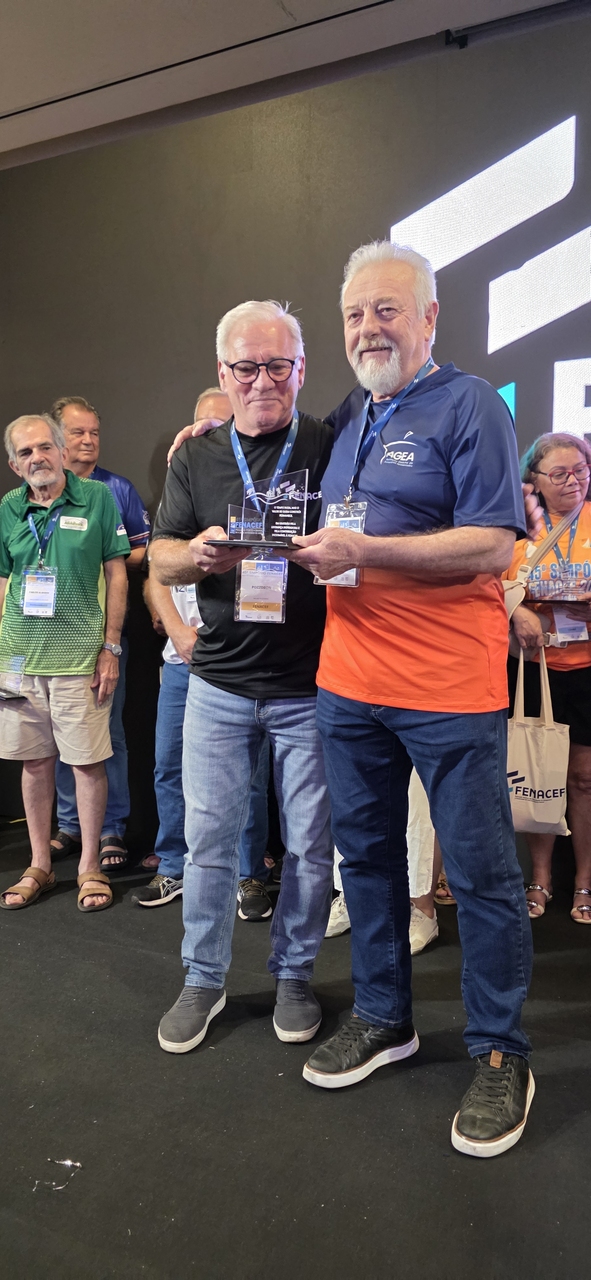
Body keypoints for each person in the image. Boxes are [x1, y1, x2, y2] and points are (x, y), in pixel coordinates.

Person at [286, 240, 534, 1159]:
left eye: (386, 310)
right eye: (354, 314)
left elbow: (491, 544)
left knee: (479, 875)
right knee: (367, 860)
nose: (367, 328)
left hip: (447, 690)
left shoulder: (470, 405)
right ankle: (386, 1015)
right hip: (348, 686)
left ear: (429, 317)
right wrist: (212, 425)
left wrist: (366, 553)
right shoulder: (352, 413)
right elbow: (272, 442)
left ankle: (501, 1052)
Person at [150, 301, 334, 1053]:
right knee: (209, 841)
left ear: (301, 368)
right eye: (246, 367)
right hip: (219, 686)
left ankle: (294, 974)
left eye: (277, 365)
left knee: (311, 847)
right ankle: (203, 977)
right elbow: (159, 555)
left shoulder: (332, 441)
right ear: (223, 374)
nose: (263, 381)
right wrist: (196, 555)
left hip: (309, 687)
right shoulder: (195, 455)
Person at [136, 386, 277, 918]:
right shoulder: (182, 488)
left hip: (239, 663)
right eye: (202, 426)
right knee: (169, 767)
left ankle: (249, 874)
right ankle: (174, 865)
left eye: (221, 426)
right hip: (183, 662)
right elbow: (156, 574)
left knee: (248, 778)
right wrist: (177, 633)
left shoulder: (258, 498)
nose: (211, 435)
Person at [0, 413, 129, 912]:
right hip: (19, 660)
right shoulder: (8, 508)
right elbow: (4, 581)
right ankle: (39, 864)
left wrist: (110, 647)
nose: (38, 458)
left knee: (86, 763)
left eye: (44, 447)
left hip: (79, 656)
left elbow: (117, 575)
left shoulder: (96, 498)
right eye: (26, 452)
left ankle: (89, 865)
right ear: (15, 465)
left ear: (61, 450)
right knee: (34, 763)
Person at [49, 396, 150, 871]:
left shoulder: (116, 489)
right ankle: (70, 825)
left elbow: (144, 552)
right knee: (60, 733)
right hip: (50, 635)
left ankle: (111, 827)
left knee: (107, 732)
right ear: (57, 438)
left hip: (104, 633)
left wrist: (101, 552)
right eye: (78, 432)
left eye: (94, 432)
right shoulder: (39, 492)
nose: (88, 441)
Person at [507, 432, 591, 925]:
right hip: (532, 669)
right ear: (534, 480)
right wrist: (518, 609)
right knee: (538, 776)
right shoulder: (516, 529)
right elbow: (490, 587)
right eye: (559, 473)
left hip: (586, 669)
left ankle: (584, 879)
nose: (573, 481)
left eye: (580, 470)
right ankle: (540, 876)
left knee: (584, 779)